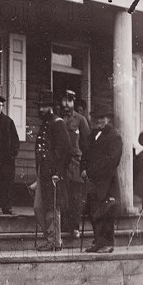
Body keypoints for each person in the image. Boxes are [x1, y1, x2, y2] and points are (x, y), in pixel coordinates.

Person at [33, 90, 72, 251]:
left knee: (52, 207)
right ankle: (51, 238)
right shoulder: (46, 123)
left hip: (53, 174)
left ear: (51, 107)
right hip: (43, 172)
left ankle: (54, 241)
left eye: (44, 106)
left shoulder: (57, 123)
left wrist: (57, 172)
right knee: (39, 207)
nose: (41, 110)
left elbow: (65, 150)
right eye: (40, 106)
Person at [81, 104, 123, 253]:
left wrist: (91, 171)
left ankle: (106, 243)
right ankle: (98, 241)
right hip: (93, 182)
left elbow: (111, 161)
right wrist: (83, 169)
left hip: (107, 182)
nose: (99, 121)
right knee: (95, 212)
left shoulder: (114, 136)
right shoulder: (92, 135)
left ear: (108, 119)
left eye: (102, 118)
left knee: (106, 212)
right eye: (97, 118)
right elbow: (85, 155)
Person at [60, 89, 91, 237]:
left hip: (76, 164)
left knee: (76, 197)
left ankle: (75, 227)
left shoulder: (80, 120)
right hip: (61, 164)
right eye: (64, 100)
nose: (66, 104)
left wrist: (85, 166)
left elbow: (86, 145)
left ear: (74, 102)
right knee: (63, 196)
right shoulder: (58, 119)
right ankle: (63, 226)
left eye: (70, 101)